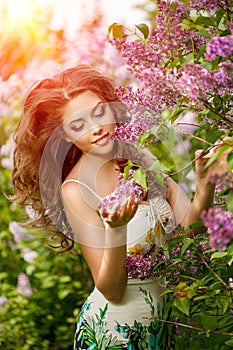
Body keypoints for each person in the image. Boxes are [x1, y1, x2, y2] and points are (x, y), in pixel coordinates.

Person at [12, 65, 231, 349]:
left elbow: (191, 231)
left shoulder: (137, 155)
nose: (97, 128)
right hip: (115, 332)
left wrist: (205, 182)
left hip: (160, 324)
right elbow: (112, 290)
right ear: (65, 135)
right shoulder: (77, 189)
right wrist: (116, 230)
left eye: (100, 111)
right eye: (78, 125)